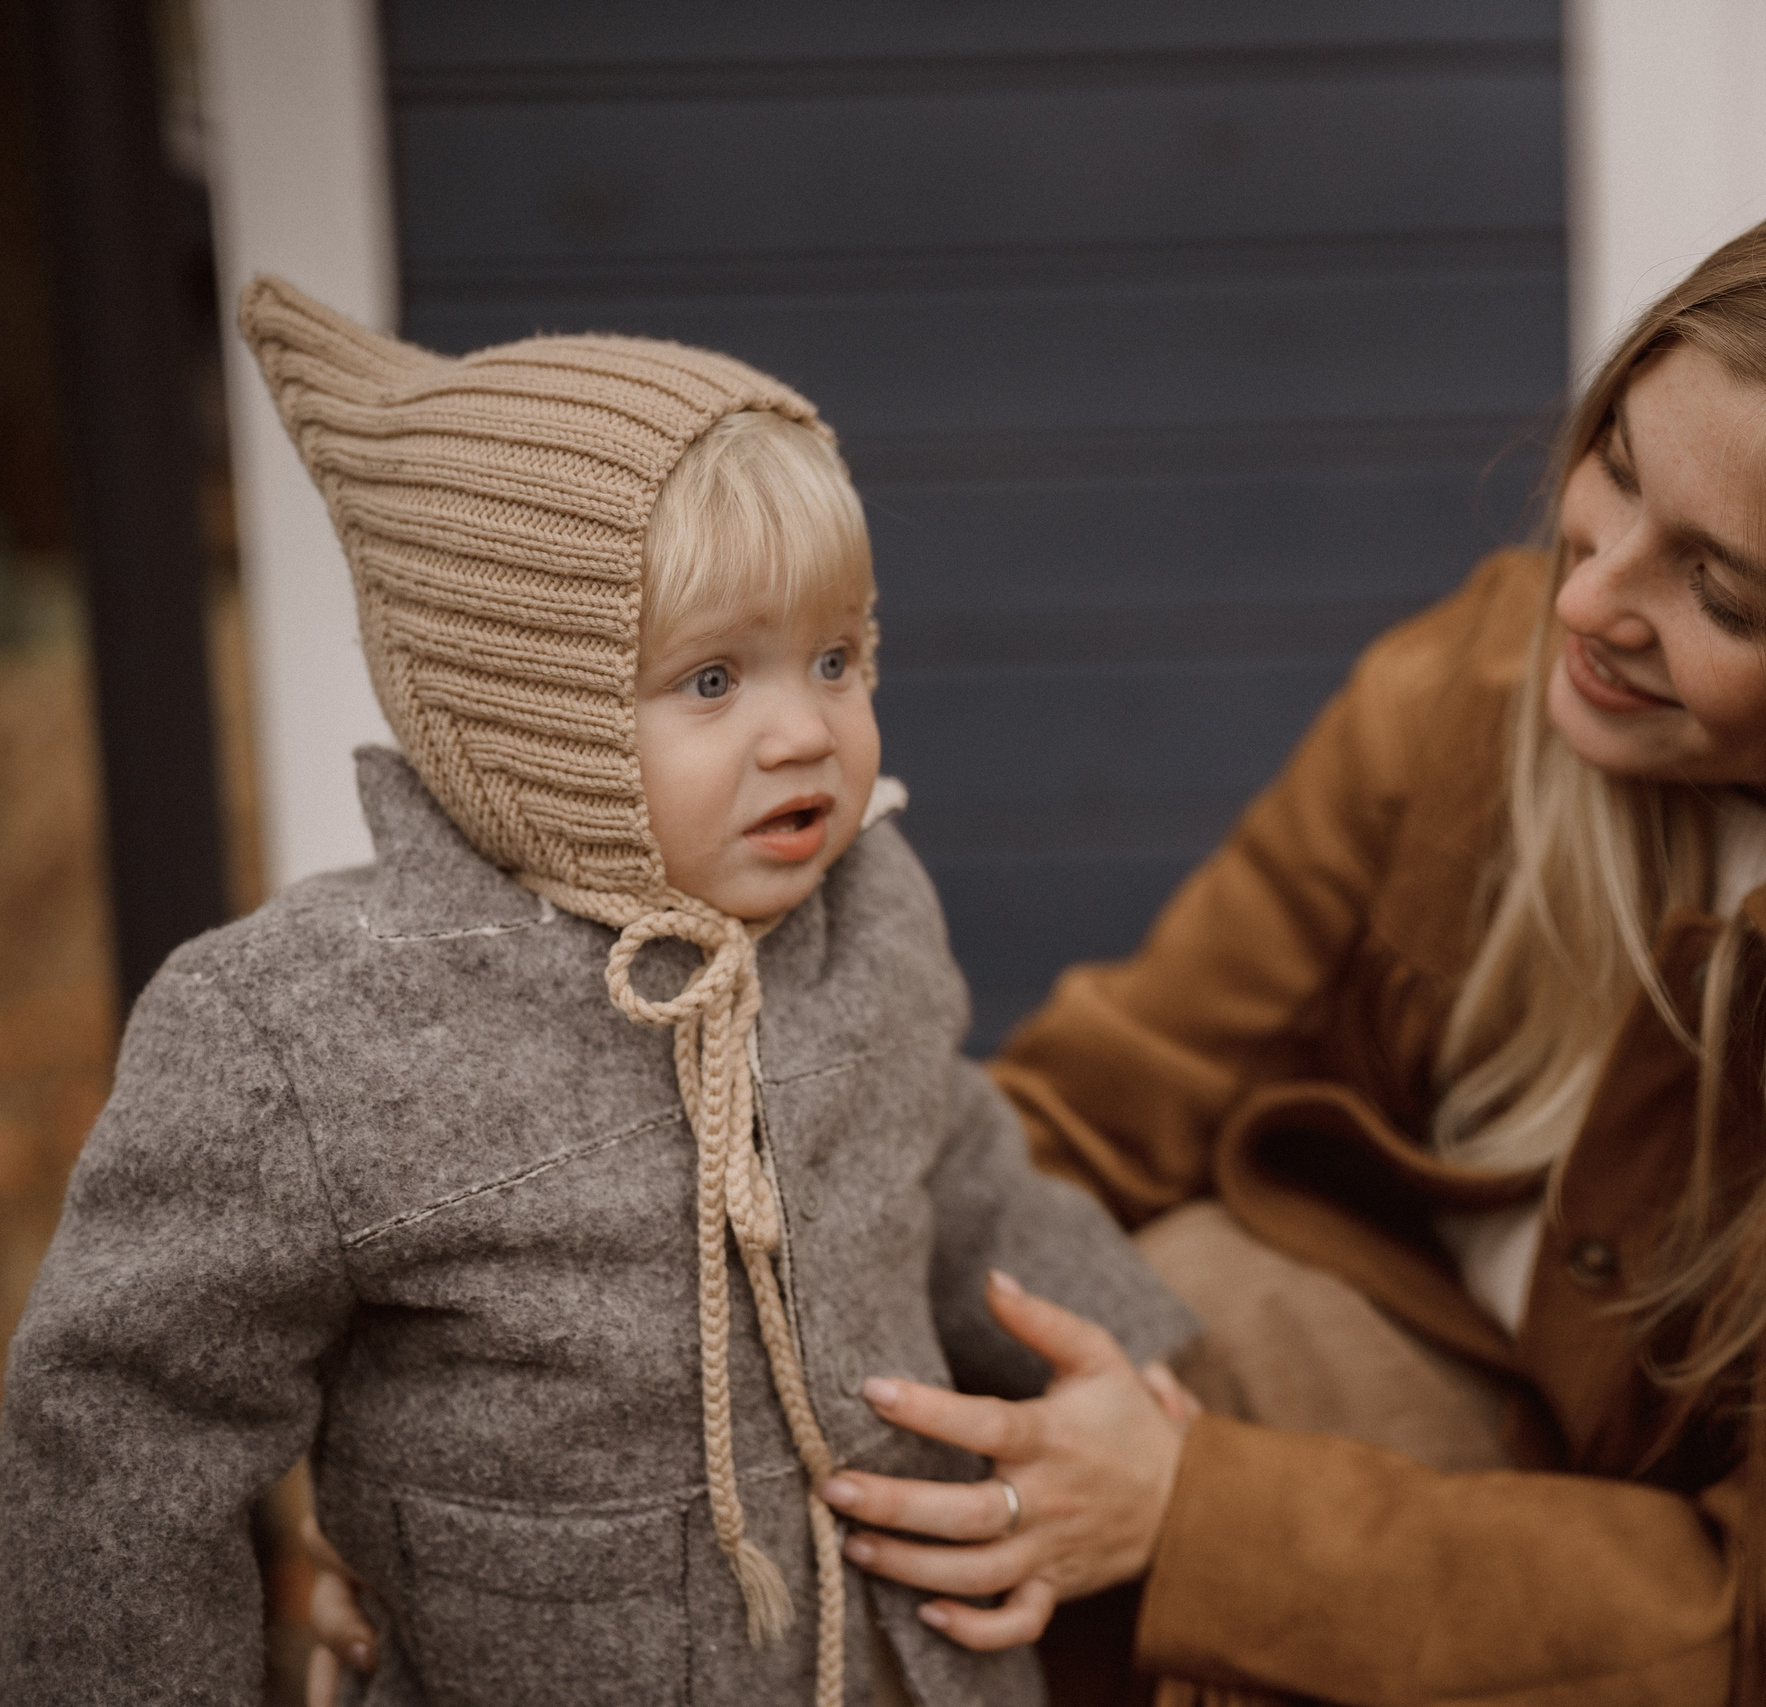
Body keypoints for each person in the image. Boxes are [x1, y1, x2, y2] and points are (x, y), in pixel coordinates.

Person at [309, 151, 1766, 1705]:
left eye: (1722, 588)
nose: (1593, 589)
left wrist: (1205, 1526)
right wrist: (561, 1408)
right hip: (1513, 1460)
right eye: (1615, 467)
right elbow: (1087, 1105)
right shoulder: (1484, 693)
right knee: (1115, 1310)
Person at [0, 279, 1194, 1707]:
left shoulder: (868, 914)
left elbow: (957, 1162)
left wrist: (1141, 1357)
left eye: (835, 659)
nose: (805, 731)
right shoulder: (311, 1030)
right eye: (712, 680)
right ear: (526, 716)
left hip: (904, 1666)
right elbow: (125, 1427)